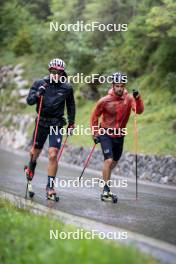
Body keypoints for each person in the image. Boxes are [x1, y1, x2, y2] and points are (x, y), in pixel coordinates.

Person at [25, 58, 75, 200]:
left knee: (53, 154)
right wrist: (38, 94)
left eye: (59, 73)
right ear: (49, 72)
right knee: (35, 152)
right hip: (41, 122)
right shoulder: (40, 84)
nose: (56, 75)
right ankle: (31, 166)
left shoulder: (67, 88)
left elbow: (71, 106)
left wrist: (71, 123)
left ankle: (50, 187)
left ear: (62, 73)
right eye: (53, 72)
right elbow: (29, 101)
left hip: (56, 124)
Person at [90, 72, 144, 200]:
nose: (120, 88)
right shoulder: (104, 100)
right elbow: (94, 116)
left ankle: (105, 178)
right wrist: (95, 132)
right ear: (113, 85)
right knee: (108, 160)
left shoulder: (129, 98)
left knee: (113, 162)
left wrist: (138, 99)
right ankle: (105, 191)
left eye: (122, 86)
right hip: (105, 133)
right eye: (117, 86)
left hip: (119, 135)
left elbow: (139, 111)